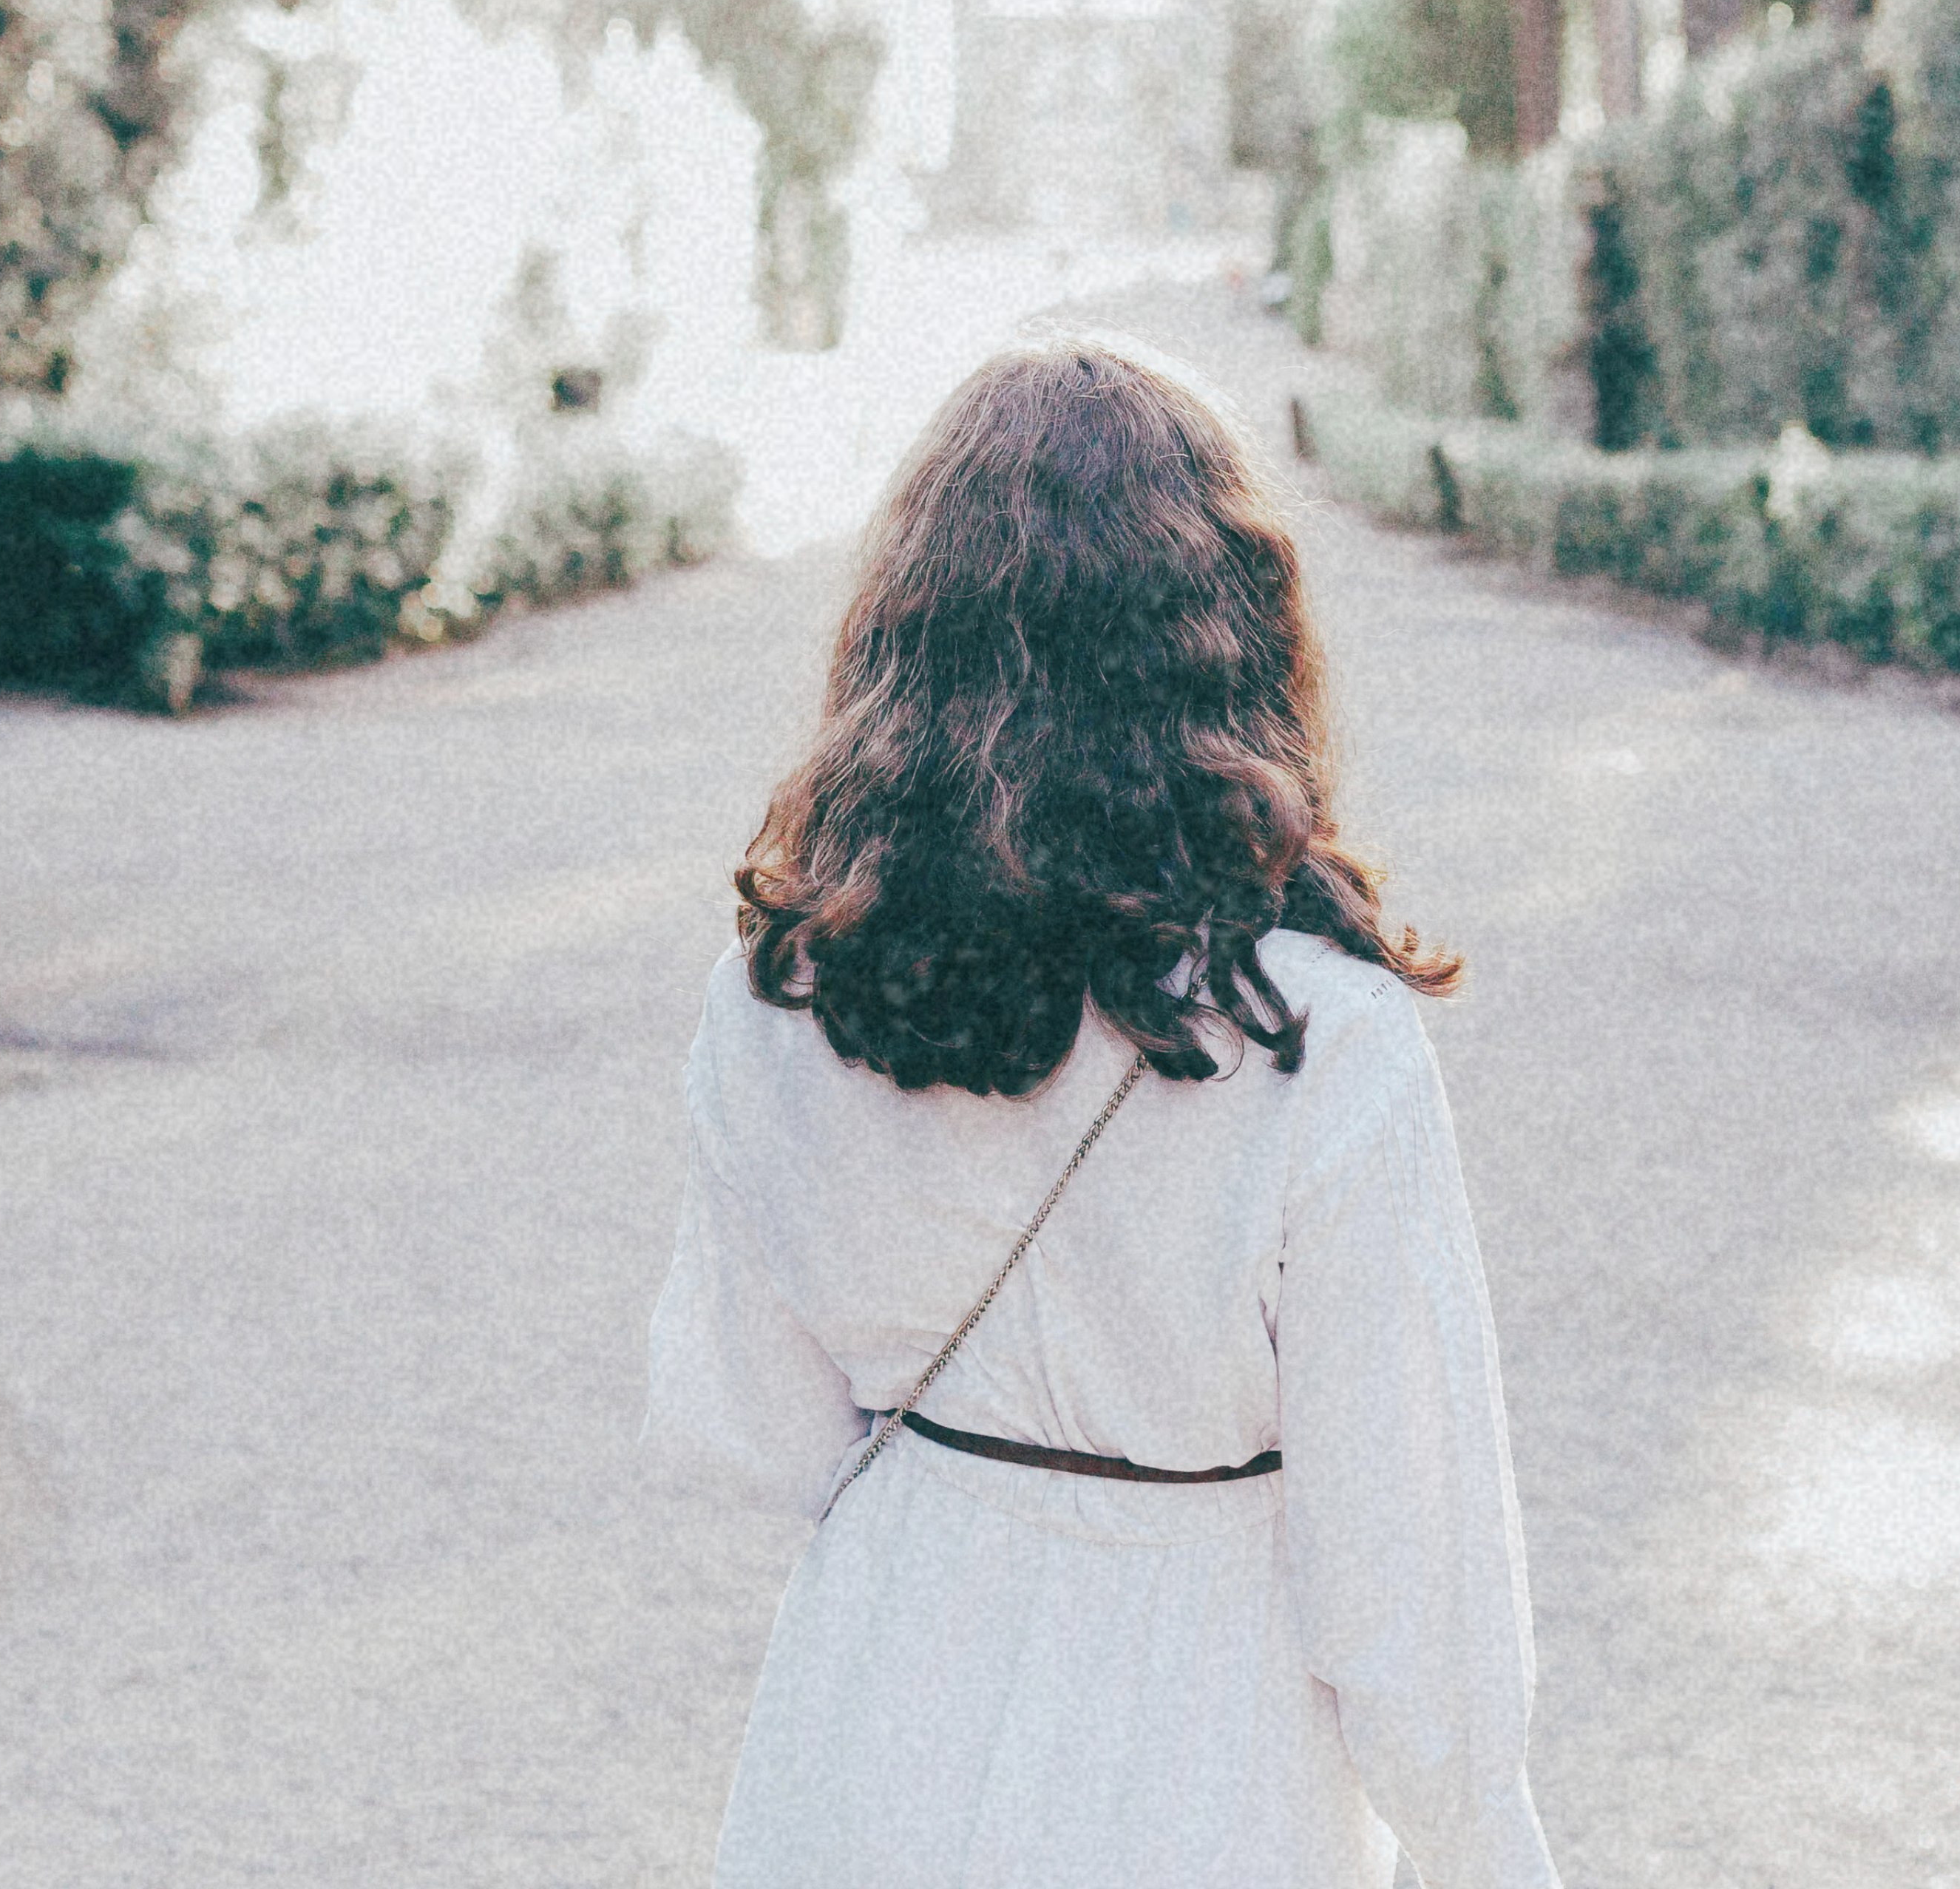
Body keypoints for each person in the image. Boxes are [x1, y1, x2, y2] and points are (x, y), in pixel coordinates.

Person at [645, 337, 1564, 1889]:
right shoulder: (1316, 1034)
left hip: (873, 1720)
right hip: (1208, 1755)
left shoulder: (785, 991)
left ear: (906, 638)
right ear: (1230, 638)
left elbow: (747, 1421)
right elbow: (1413, 1581)